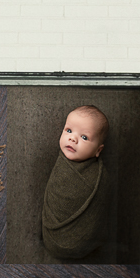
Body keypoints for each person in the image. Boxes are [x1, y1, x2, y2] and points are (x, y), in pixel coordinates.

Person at [42, 106, 108, 260]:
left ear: (98, 150)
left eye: (84, 137)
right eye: (69, 130)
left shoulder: (100, 178)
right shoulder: (61, 161)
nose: (72, 138)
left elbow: (98, 215)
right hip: (51, 238)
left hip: (80, 244)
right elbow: (53, 194)